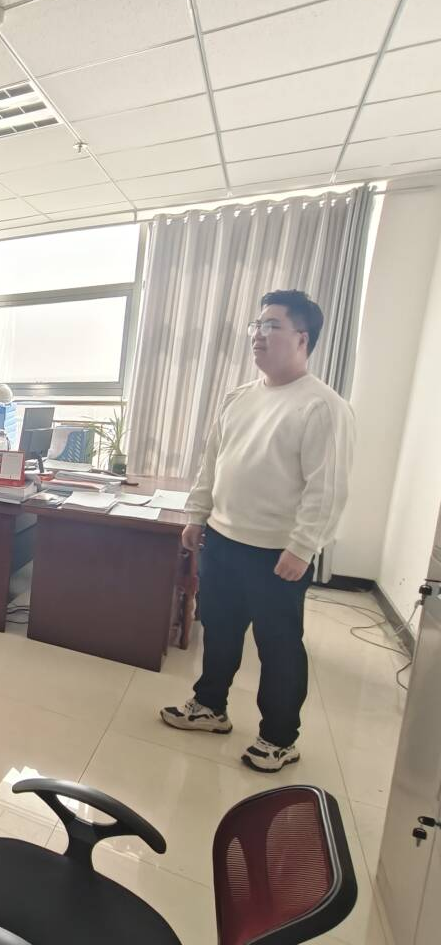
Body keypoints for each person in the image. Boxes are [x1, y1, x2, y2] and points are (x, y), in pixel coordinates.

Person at [160, 290, 354, 772]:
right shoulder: (239, 397)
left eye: (272, 326)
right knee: (219, 630)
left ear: (302, 338)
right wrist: (197, 514)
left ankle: (280, 738)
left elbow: (327, 488)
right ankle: (210, 707)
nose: (258, 335)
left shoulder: (322, 406)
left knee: (278, 645)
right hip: (223, 540)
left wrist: (303, 547)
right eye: (257, 325)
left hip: (276, 553)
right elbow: (212, 463)